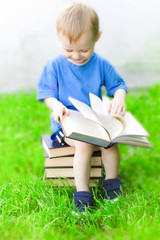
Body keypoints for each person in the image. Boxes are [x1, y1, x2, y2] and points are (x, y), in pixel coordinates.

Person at [37, 2, 128, 214]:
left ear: (97, 37)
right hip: (67, 122)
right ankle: (82, 196)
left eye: (84, 50)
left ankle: (112, 185)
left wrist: (120, 98)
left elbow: (118, 86)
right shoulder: (55, 65)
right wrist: (56, 105)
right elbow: (46, 94)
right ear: (58, 37)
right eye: (69, 50)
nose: (76, 56)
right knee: (85, 145)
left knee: (110, 143)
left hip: (95, 120)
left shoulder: (101, 64)